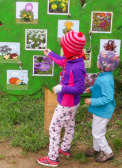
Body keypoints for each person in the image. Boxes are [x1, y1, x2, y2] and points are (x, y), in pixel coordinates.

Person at [37, 31, 86, 167]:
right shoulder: (73, 60)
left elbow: (79, 88)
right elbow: (62, 61)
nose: (63, 50)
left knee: (54, 128)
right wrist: (50, 54)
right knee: (69, 124)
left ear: (69, 49)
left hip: (66, 103)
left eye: (64, 48)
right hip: (72, 104)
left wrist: (61, 88)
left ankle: (52, 158)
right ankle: (65, 148)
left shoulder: (76, 67)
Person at [84, 50, 120, 162]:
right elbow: (99, 87)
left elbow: (108, 98)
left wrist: (92, 101)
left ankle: (107, 152)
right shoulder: (104, 75)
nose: (97, 62)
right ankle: (97, 148)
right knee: (97, 130)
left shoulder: (105, 79)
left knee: (97, 132)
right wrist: (92, 89)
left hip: (103, 111)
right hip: (99, 110)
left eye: (98, 61)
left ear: (103, 65)